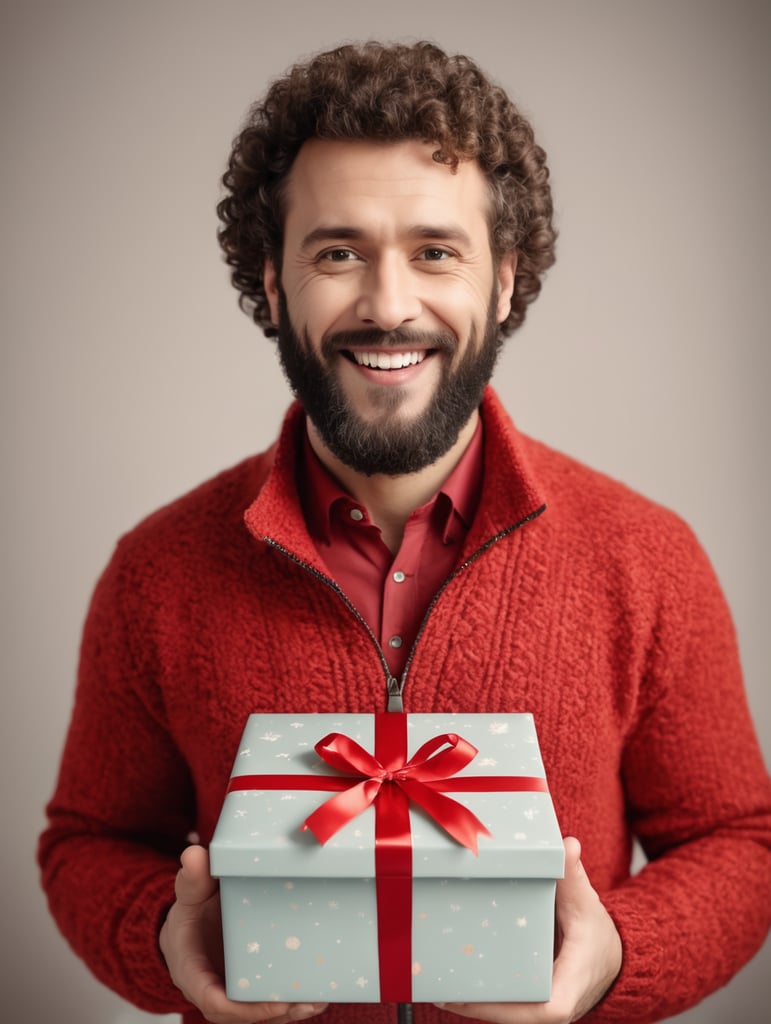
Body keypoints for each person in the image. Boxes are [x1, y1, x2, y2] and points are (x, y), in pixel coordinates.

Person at [39, 40, 771, 1024]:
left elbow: (741, 841)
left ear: (505, 280)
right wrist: (164, 943)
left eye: (436, 251)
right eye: (338, 252)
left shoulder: (645, 556)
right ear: (272, 277)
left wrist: (618, 957)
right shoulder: (156, 572)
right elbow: (88, 840)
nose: (389, 306)